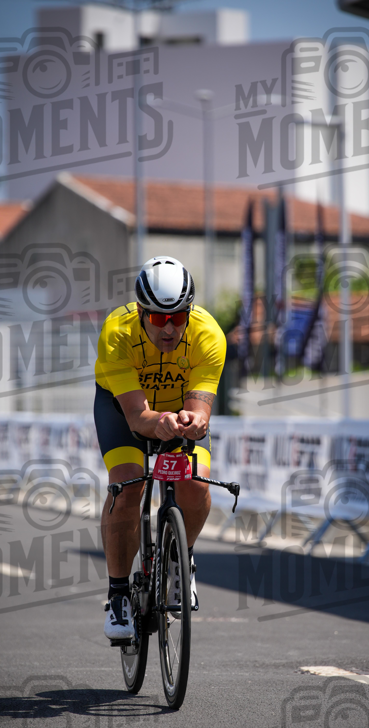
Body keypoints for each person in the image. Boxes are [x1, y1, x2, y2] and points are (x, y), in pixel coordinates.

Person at [94, 256, 227, 641]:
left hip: (177, 407)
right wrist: (159, 422)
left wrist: (195, 421)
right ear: (141, 312)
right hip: (123, 409)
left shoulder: (208, 335)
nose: (169, 328)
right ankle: (118, 594)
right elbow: (137, 417)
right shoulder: (117, 333)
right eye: (158, 318)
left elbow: (199, 411)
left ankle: (179, 561)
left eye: (179, 317)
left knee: (196, 483)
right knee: (128, 483)